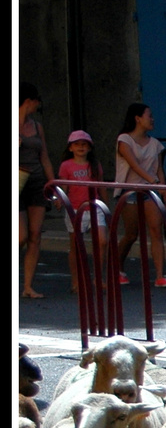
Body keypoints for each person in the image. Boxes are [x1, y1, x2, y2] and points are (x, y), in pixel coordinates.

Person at [114, 101, 166, 288]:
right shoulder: (124, 140)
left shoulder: (155, 144)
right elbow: (134, 165)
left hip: (149, 191)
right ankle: (116, 266)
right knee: (131, 234)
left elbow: (159, 169)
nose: (152, 119)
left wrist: (161, 186)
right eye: (149, 115)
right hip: (128, 191)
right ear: (137, 118)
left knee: (156, 230)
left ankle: (160, 275)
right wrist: (154, 181)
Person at [19, 82, 57, 299]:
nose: (37, 106)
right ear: (29, 101)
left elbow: (44, 157)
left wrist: (53, 184)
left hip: (36, 181)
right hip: (17, 181)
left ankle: (28, 286)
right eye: (36, 102)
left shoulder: (37, 126)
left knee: (35, 234)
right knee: (21, 236)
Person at [57, 130, 99, 300]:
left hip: (94, 206)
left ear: (89, 147)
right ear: (70, 148)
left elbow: (100, 185)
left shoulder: (95, 165)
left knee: (101, 241)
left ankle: (98, 278)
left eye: (84, 144)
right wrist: (61, 199)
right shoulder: (66, 165)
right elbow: (64, 185)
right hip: (74, 208)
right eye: (77, 144)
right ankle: (76, 282)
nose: (81, 147)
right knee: (75, 245)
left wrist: (105, 203)